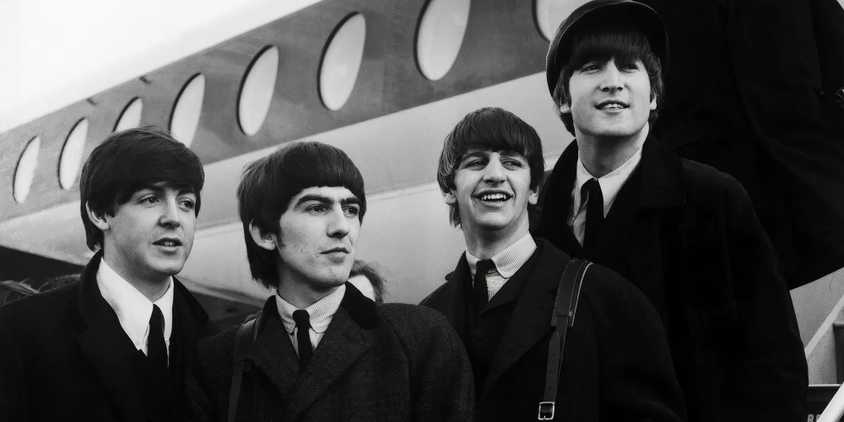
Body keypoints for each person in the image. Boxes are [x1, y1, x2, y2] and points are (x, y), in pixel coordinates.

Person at [538, 1, 808, 421]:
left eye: (629, 67)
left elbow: (775, 362)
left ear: (653, 96)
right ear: (562, 99)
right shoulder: (539, 215)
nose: (613, 82)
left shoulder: (714, 200)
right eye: (592, 67)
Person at [422, 107, 685, 421]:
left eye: (511, 163)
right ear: (449, 190)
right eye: (476, 162)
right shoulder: (425, 319)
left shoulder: (607, 299)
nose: (495, 175)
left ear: (534, 189)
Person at [193, 141, 473, 421]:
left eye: (351, 209)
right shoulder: (218, 361)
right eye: (317, 208)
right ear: (265, 234)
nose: (342, 227)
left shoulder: (422, 339)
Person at [0, 127, 214, 421]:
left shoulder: (222, 347)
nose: (174, 218)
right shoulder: (19, 334)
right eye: (150, 199)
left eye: (186, 203)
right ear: (100, 214)